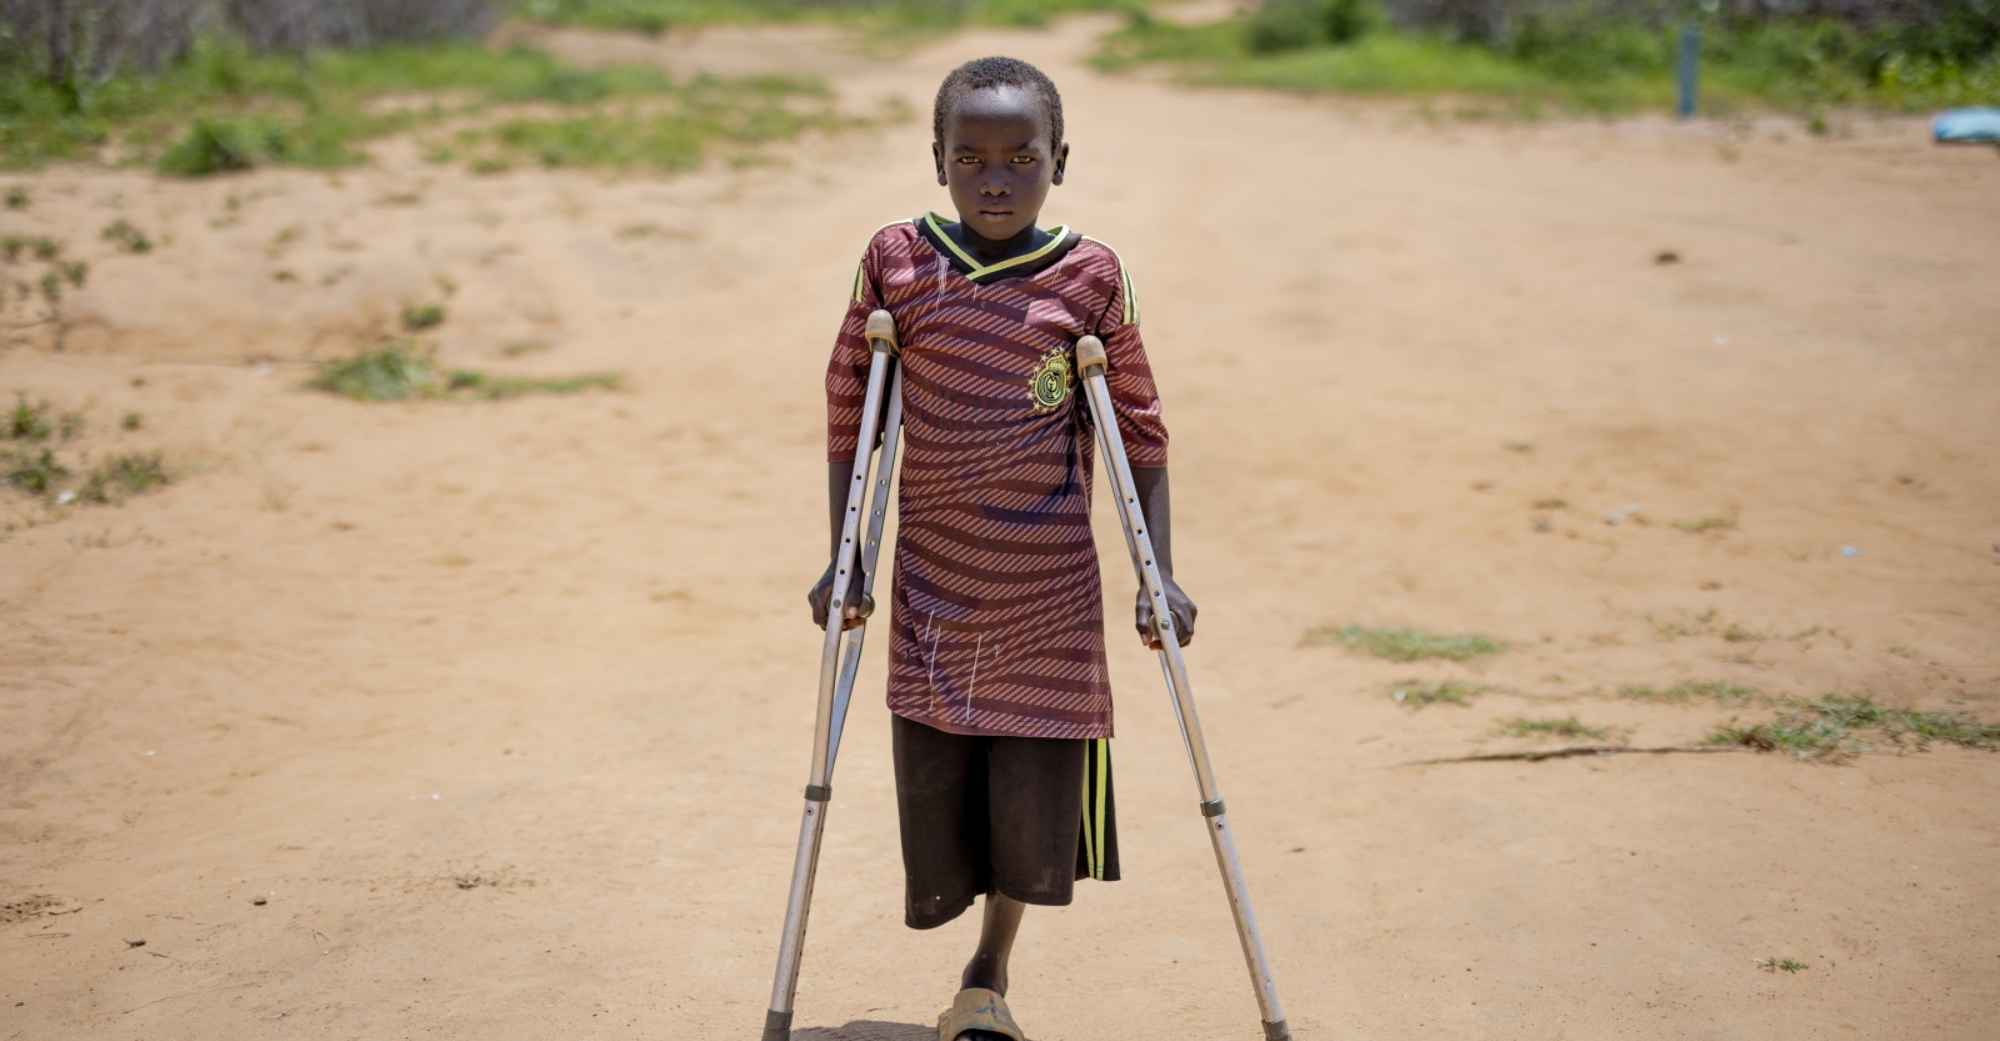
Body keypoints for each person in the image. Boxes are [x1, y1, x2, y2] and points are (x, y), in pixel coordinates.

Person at [807, 55, 1195, 1041]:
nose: (993, 178)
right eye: (969, 157)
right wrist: (842, 552)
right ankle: (971, 954)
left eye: (1019, 158)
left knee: (1030, 804)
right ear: (935, 160)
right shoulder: (897, 260)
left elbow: (1138, 430)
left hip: (1049, 596)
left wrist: (1161, 573)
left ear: (1057, 161)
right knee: (945, 796)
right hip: (935, 588)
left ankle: (989, 970)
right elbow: (853, 413)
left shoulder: (1088, 275)